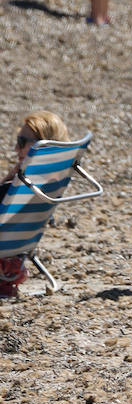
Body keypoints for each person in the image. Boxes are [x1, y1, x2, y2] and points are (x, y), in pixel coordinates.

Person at [0, 111, 70, 301]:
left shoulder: (14, 190)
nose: (16, 148)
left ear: (42, 147)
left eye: (22, 142)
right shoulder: (48, 184)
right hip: (15, 259)